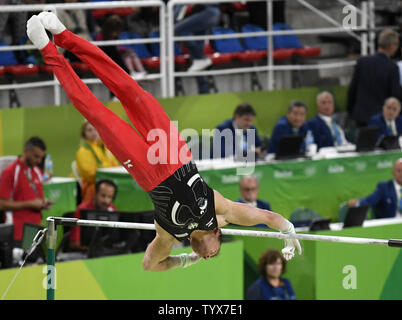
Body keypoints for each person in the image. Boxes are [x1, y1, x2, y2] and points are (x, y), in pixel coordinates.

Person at [26, 12, 301, 272]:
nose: (209, 256)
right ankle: (64, 36)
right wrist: (287, 229)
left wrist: (184, 261)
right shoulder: (222, 212)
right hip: (173, 150)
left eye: (208, 259)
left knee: (95, 112)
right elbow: (266, 217)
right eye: (215, 253)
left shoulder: (169, 235)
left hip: (147, 172)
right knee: (126, 87)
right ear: (218, 233)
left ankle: (47, 51)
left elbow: (150, 264)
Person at [0, 137, 53, 243]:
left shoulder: (37, 171)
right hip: (17, 231)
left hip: (34, 229)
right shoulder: (10, 172)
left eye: (41, 158)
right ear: (26, 151)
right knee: (20, 259)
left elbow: (35, 198)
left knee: (33, 259)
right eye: (36, 156)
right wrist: (30, 204)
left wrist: (42, 203)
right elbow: (1, 204)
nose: (38, 161)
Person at [347, 29, 400, 127]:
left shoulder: (362, 62)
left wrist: (351, 112)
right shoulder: (392, 67)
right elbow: (394, 96)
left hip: (360, 116)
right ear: (392, 46)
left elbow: (352, 90)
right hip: (381, 119)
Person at [75, 120, 119, 203]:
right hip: (94, 187)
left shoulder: (105, 147)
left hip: (110, 183)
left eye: (96, 129)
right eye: (89, 130)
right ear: (84, 134)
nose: (94, 133)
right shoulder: (83, 151)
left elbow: (115, 166)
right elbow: (90, 175)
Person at [69, 179, 117, 251]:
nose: (106, 201)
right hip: (84, 253)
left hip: (107, 253)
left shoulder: (113, 210)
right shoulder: (82, 210)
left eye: (109, 197)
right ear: (95, 194)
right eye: (103, 196)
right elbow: (74, 243)